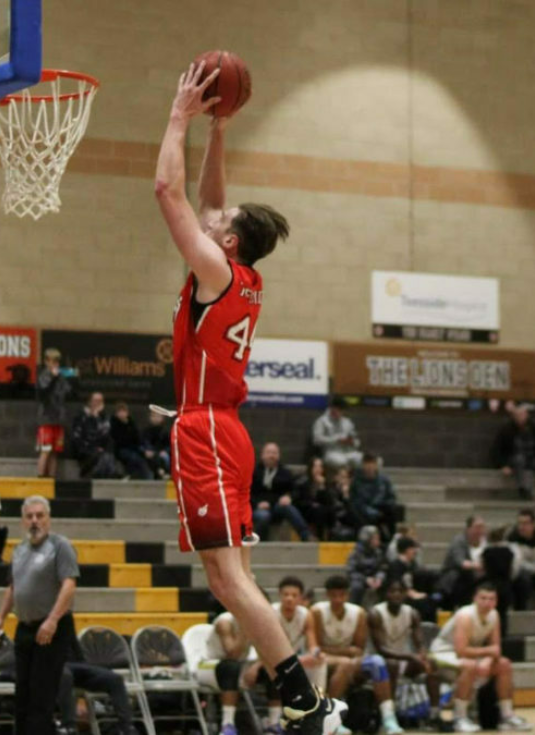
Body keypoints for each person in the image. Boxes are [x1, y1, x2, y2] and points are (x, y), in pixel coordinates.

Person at [155, 61, 346, 734]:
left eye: (222, 221)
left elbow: (168, 192)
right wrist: (218, 131)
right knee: (230, 579)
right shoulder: (236, 273)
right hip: (226, 429)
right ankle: (305, 702)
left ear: (227, 242)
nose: (213, 215)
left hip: (207, 429)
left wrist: (179, 116)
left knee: (229, 582)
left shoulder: (212, 267)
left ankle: (304, 704)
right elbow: (210, 203)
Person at [0, 495, 79, 735]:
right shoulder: (19, 550)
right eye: (29, 516)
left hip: (52, 629)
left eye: (40, 516)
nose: (35, 521)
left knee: (41, 696)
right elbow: (14, 588)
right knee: (22, 695)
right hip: (24, 628)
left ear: (48, 518)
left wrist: (52, 620)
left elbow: (69, 585)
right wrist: (1, 617)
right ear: (23, 521)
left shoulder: (60, 546)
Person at [429, 582, 531, 733]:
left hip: (471, 653)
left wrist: (487, 661)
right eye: (483, 598)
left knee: (504, 664)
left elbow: (496, 649)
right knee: (469, 665)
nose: (487, 602)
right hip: (443, 652)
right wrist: (487, 654)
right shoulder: (465, 615)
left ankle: (507, 715)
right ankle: (460, 717)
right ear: (474, 599)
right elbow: (461, 650)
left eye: (491, 599)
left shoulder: (494, 615)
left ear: (496, 601)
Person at [312, 576, 403, 735]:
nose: (338, 599)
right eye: (334, 595)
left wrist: (343, 652)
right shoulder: (317, 611)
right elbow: (317, 648)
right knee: (345, 663)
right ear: (327, 595)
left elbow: (359, 649)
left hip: (349, 660)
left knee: (376, 662)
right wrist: (346, 652)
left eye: (341, 595)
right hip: (324, 660)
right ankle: (331, 720)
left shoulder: (358, 613)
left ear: (347, 595)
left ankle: (389, 719)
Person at [244, 577, 329, 734]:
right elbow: (263, 648)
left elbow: (312, 645)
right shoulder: (270, 613)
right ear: (280, 595)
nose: (289, 599)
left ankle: (319, 710)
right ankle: (274, 722)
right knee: (279, 669)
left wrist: (316, 653)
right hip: (266, 660)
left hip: (293, 661)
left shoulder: (306, 615)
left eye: (294, 595)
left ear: (301, 598)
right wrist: (256, 666)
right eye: (286, 594)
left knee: (321, 662)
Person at [368, 580, 443, 730]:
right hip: (377, 661)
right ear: (384, 594)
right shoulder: (376, 613)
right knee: (392, 664)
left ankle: (434, 715)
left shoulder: (412, 613)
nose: (396, 594)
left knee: (432, 663)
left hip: (404, 658)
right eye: (392, 591)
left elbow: (419, 643)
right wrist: (410, 656)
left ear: (405, 594)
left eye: (400, 591)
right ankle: (390, 715)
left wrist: (423, 656)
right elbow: (381, 649)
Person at [57, 629, 137, 735]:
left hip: (76, 667)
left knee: (115, 679)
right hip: (52, 669)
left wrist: (86, 669)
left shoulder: (65, 625)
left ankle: (126, 726)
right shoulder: (35, 627)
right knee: (65, 675)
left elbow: (79, 654)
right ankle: (68, 726)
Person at [251, 443, 311, 542]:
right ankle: (261, 545)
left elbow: (294, 490)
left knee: (289, 508)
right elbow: (247, 492)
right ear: (262, 455)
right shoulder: (254, 472)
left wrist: (289, 497)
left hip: (277, 507)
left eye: (274, 453)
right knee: (263, 516)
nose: (271, 456)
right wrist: (257, 503)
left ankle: (306, 535)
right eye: (269, 452)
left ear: (279, 455)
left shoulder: (285, 473)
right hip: (258, 507)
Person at [349, 453, 402, 541]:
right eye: (367, 465)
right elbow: (355, 501)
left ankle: (391, 540)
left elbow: (391, 497)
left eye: (372, 465)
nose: (370, 468)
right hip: (364, 511)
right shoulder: (356, 481)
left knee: (392, 511)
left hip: (380, 508)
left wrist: (383, 507)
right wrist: (370, 511)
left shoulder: (384, 480)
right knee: (355, 512)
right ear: (363, 466)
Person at [437, 517, 487, 610]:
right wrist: (481, 566)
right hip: (455, 578)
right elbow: (461, 562)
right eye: (477, 527)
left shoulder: (486, 542)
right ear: (468, 528)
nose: (480, 530)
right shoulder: (459, 541)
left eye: (482, 527)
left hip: (477, 577)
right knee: (464, 577)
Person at [36, 347, 71, 478]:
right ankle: (40, 476)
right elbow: (43, 393)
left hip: (59, 418)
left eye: (57, 361)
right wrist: (54, 378)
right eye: (52, 360)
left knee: (55, 451)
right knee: (45, 449)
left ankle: (51, 478)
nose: (55, 363)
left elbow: (69, 392)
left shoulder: (61, 377)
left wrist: (71, 376)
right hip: (46, 418)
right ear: (46, 361)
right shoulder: (43, 375)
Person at [71, 392, 118, 479]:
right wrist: (93, 417)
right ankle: (110, 474)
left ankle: (103, 474)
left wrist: (97, 418)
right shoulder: (81, 416)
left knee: (107, 452)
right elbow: (78, 437)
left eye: (100, 401)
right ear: (90, 402)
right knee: (102, 456)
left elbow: (105, 435)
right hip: (84, 448)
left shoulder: (103, 417)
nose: (98, 403)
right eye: (96, 400)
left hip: (100, 449)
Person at [492, 404, 535, 499]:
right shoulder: (506, 429)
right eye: (517, 415)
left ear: (527, 415)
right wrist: (503, 465)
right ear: (513, 416)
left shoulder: (532, 427)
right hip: (513, 459)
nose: (520, 417)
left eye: (522, 414)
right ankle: (523, 489)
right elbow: (497, 449)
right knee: (520, 460)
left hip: (531, 457)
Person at [312, 397, 362, 471]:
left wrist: (352, 442)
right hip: (331, 453)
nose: (341, 412)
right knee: (341, 461)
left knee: (366, 460)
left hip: (348, 452)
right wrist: (336, 440)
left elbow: (357, 442)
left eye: (342, 410)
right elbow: (316, 440)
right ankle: (346, 478)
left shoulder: (347, 422)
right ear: (332, 408)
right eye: (339, 409)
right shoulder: (322, 421)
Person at [294, 458, 337, 540]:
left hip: (322, 509)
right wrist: (312, 504)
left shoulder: (326, 483)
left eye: (320, 467)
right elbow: (300, 501)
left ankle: (332, 536)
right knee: (319, 510)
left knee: (329, 510)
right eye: (315, 466)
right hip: (306, 509)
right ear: (310, 469)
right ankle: (319, 538)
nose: (318, 469)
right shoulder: (303, 482)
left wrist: (322, 487)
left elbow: (329, 501)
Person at [110, 403, 153, 480]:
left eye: (124, 411)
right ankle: (146, 477)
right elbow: (121, 441)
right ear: (116, 414)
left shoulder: (131, 423)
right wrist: (141, 451)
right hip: (121, 449)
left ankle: (153, 475)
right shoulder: (114, 425)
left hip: (134, 448)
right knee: (135, 458)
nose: (122, 414)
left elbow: (137, 438)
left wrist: (144, 450)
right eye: (120, 412)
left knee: (148, 456)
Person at [347, 526, 387, 605]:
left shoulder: (378, 553)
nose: (378, 542)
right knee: (356, 587)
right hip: (360, 579)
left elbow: (382, 568)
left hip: (375, 579)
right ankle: (354, 608)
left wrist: (379, 578)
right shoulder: (355, 553)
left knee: (388, 585)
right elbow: (351, 571)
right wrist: (365, 579)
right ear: (367, 540)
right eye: (375, 539)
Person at [506, 509, 535, 609]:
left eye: (526, 523)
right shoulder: (511, 538)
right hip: (518, 572)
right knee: (523, 579)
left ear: (533, 524)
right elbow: (518, 562)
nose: (522, 527)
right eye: (520, 523)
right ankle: (521, 611)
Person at [141, 408, 171, 479]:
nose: (155, 418)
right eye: (153, 416)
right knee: (152, 457)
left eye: (158, 416)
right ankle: (161, 472)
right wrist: (145, 451)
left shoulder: (165, 432)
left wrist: (165, 451)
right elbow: (142, 444)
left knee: (164, 457)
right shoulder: (146, 431)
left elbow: (169, 445)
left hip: (162, 453)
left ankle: (162, 472)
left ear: (162, 418)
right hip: (150, 453)